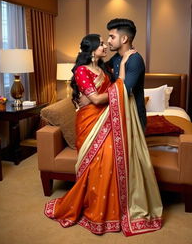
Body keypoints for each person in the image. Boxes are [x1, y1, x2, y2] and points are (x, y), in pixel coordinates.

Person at [44, 34, 163, 236]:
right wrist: (124, 66)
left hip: (107, 118)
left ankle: (114, 208)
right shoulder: (82, 71)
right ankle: (94, 205)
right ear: (91, 49)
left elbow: (107, 94)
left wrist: (121, 66)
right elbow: (98, 99)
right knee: (103, 157)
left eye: (106, 40)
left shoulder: (103, 69)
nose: (105, 45)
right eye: (100, 43)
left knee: (112, 156)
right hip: (90, 121)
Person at [106, 18, 147, 130]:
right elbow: (101, 68)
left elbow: (124, 91)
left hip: (134, 117)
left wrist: (97, 98)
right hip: (118, 113)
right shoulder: (117, 57)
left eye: (112, 37)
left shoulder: (135, 60)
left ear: (124, 39)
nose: (108, 41)